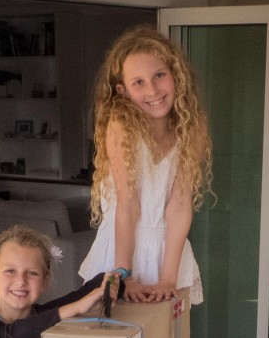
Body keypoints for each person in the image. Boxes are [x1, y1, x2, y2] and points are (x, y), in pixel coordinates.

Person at [79, 25, 213, 305]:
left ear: (176, 76)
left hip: (169, 252)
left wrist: (168, 278)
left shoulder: (192, 126)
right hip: (121, 251)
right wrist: (123, 275)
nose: (152, 90)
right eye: (138, 82)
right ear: (123, 91)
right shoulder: (120, 126)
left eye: (159, 75)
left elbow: (180, 205)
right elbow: (127, 204)